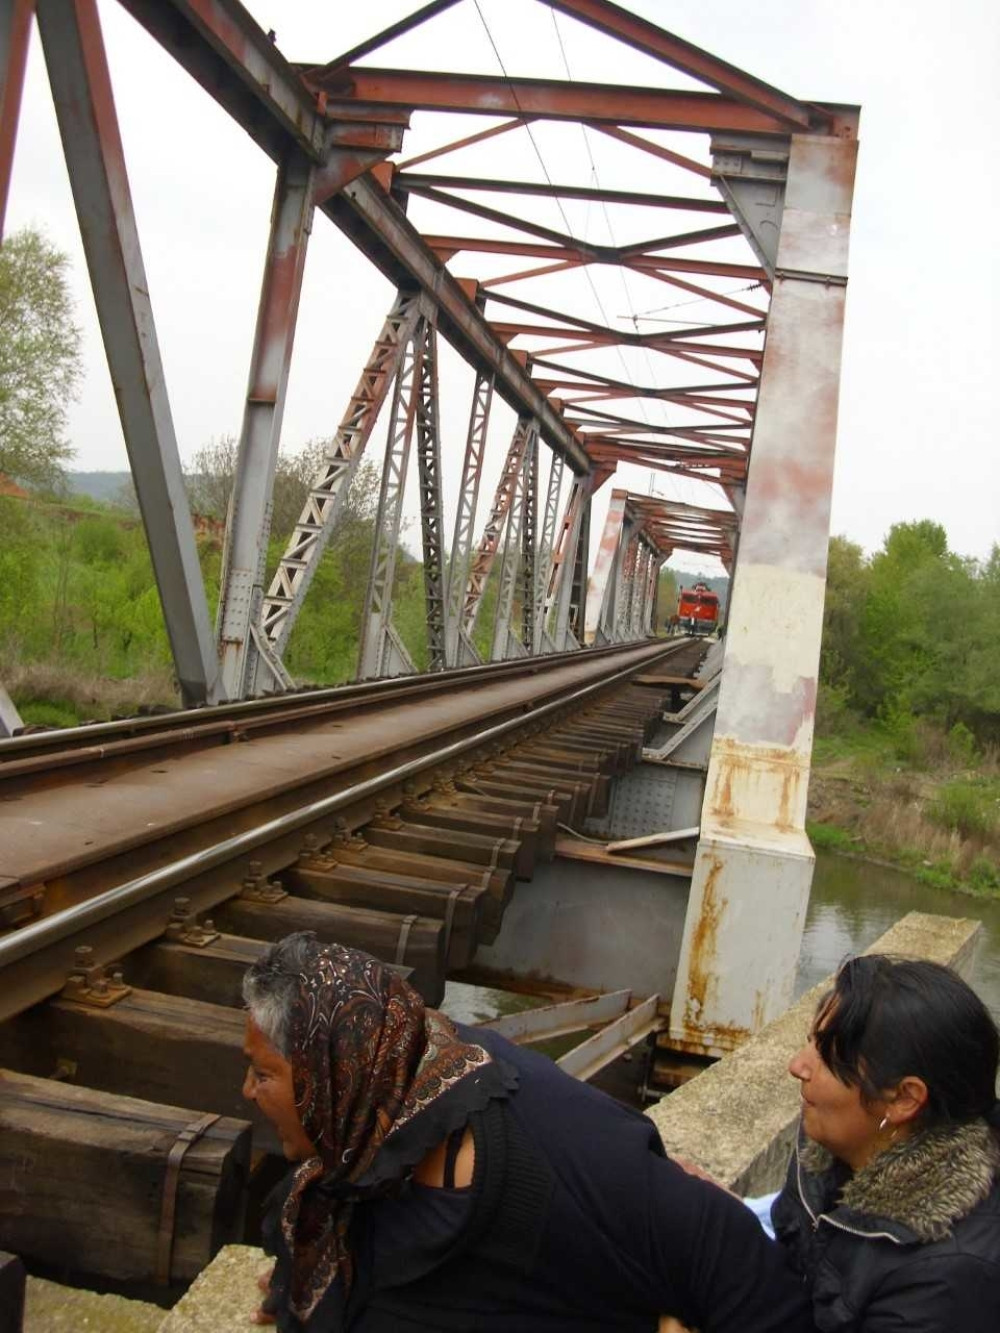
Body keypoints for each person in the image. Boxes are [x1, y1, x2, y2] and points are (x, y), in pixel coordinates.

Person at [241, 932, 814, 1332]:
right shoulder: (386, 1109)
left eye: (264, 1074)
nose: (248, 1091)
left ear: (334, 1078)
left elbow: (740, 1273)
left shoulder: (554, 1165)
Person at [771, 954, 1000, 1331]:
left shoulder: (948, 1278)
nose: (797, 1066)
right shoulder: (833, 1145)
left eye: (826, 1058)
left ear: (903, 1099)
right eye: (809, 1041)